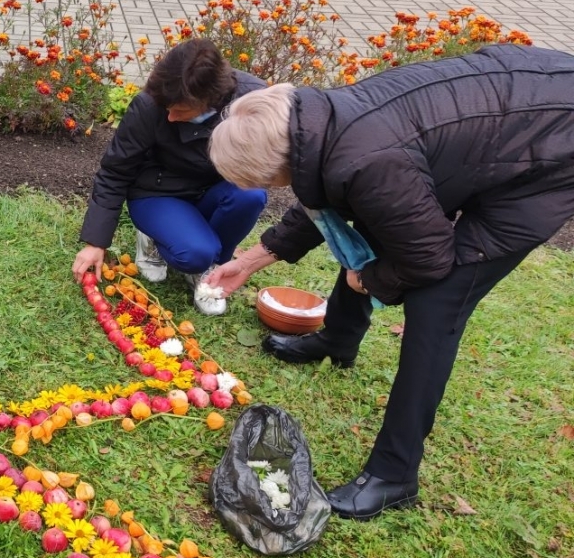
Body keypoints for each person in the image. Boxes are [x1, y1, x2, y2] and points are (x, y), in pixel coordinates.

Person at [205, 46, 574, 519]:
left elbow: (429, 258)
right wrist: (253, 260)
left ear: (281, 164)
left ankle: (395, 474)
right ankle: (339, 339)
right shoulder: (319, 122)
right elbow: (333, 201)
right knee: (383, 218)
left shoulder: (367, 163)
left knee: (438, 303)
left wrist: (373, 280)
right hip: (505, 118)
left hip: (546, 153)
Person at [71, 39, 269, 315]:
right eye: (167, 109)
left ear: (211, 101)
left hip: (214, 188)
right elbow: (114, 172)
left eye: (182, 110)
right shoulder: (148, 104)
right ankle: (156, 238)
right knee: (195, 253)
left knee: (251, 194)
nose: (171, 117)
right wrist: (96, 241)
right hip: (158, 191)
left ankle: (213, 269)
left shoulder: (251, 101)